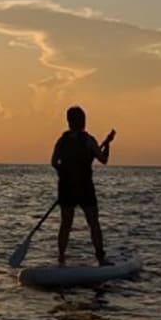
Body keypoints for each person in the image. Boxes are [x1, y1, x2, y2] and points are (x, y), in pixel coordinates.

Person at [51, 105, 114, 265]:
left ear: (69, 122)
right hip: (84, 188)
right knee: (93, 223)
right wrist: (107, 144)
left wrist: (64, 173)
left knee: (66, 223)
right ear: (82, 121)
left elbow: (54, 162)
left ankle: (61, 258)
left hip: (66, 188)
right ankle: (100, 258)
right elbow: (104, 159)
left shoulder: (61, 140)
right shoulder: (89, 140)